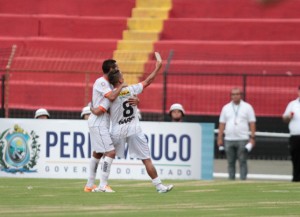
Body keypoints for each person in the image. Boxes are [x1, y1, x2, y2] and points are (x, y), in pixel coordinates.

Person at [92, 54, 173, 193]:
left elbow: (102, 109)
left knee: (108, 154)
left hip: (117, 129)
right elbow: (148, 81)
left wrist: (92, 109)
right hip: (134, 129)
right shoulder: (132, 89)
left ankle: (102, 185)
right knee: (146, 159)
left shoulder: (111, 95)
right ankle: (159, 186)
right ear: (121, 79)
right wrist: (157, 68)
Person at [84, 59, 129, 193]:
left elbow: (102, 107)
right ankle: (103, 185)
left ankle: (89, 185)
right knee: (110, 152)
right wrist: (121, 86)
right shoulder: (101, 82)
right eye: (116, 68)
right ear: (110, 69)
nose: (117, 70)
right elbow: (110, 98)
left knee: (97, 153)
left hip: (100, 121)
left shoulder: (108, 85)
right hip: (98, 123)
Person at [217, 87, 256, 180]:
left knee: (242, 161)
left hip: (242, 138)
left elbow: (252, 123)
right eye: (233, 94)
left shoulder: (247, 107)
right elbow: (222, 123)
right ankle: (231, 180)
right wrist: (219, 138)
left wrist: (252, 137)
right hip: (229, 139)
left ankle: (243, 180)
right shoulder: (226, 108)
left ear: (241, 95)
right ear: (231, 96)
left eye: (237, 94)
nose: (235, 96)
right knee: (230, 162)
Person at [282, 86, 300, 182]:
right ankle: (296, 179)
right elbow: (285, 118)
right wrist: (289, 116)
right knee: (296, 158)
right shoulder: (292, 104)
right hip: (295, 136)